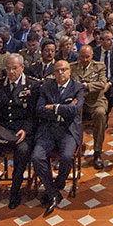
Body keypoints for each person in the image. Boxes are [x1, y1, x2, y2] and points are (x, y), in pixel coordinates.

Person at [0, 54, 39, 214]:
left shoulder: (32, 86)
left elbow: (34, 114)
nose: (11, 72)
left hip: (22, 131)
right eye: (9, 69)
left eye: (15, 68)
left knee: (23, 151)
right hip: (2, 131)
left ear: (22, 68)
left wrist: (25, 129)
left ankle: (15, 191)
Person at [31, 60, 84, 216]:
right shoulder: (46, 87)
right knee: (37, 156)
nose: (61, 73)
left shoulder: (77, 87)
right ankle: (53, 192)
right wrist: (64, 108)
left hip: (68, 130)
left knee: (67, 156)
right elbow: (39, 110)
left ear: (70, 71)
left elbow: (75, 110)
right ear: (53, 73)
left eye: (64, 70)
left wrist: (54, 107)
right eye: (57, 70)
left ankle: (57, 184)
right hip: (48, 129)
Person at [70, 45, 108, 170]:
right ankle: (69, 151)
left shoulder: (99, 67)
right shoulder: (72, 67)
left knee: (100, 114)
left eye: (87, 57)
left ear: (92, 56)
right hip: (78, 102)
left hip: (95, 101)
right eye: (82, 57)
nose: (85, 60)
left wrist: (85, 85)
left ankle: (98, 152)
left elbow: (102, 84)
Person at [93, 31, 113, 118]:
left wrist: (110, 83)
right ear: (102, 41)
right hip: (97, 81)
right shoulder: (95, 52)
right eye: (108, 40)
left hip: (111, 82)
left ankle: (105, 113)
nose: (111, 42)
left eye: (112, 39)